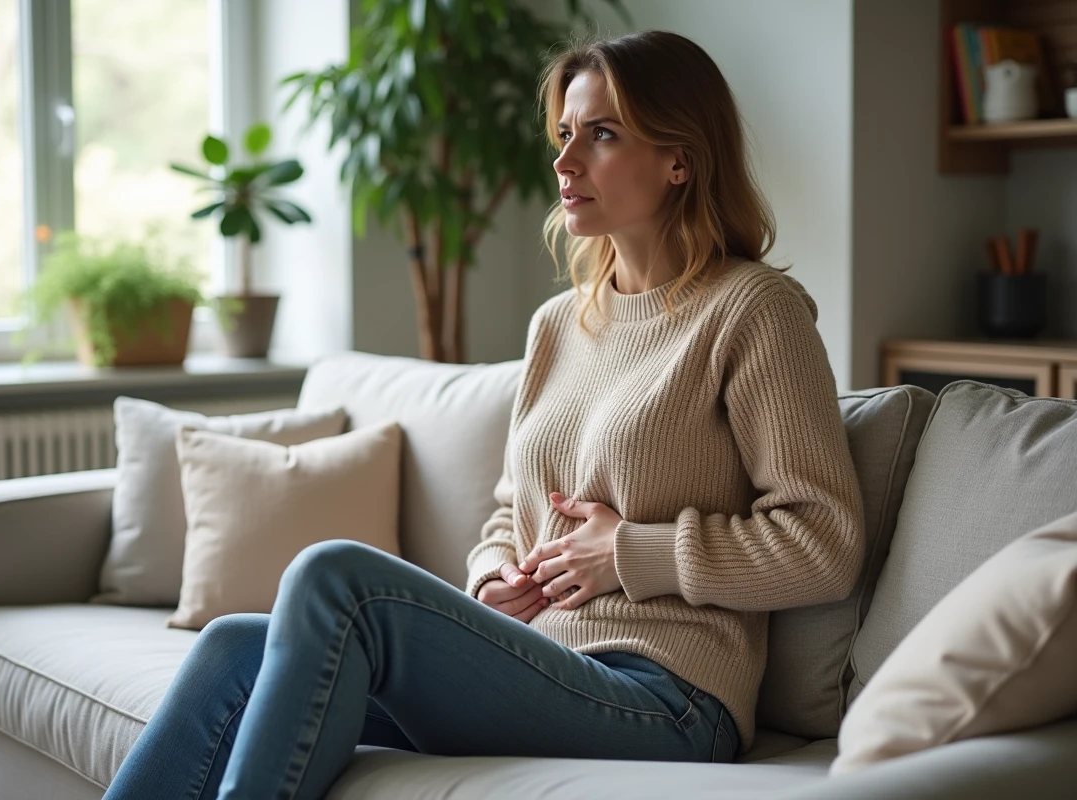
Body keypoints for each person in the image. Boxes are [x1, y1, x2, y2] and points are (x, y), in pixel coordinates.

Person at [103, 29, 865, 800]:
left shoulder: (752, 311)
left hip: (667, 698)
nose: (566, 163)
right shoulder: (558, 325)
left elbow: (826, 542)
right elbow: (512, 512)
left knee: (337, 577)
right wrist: (491, 578)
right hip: (536, 660)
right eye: (566, 135)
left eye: (601, 135)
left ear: (681, 159)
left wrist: (629, 553)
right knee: (236, 647)